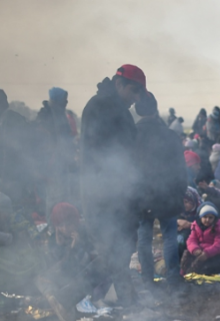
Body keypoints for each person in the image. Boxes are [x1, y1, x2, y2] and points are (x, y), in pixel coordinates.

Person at [80, 64, 145, 305]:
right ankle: (65, 292)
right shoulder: (104, 107)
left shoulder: (106, 105)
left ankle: (129, 300)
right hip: (107, 195)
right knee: (112, 252)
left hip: (109, 192)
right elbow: (115, 156)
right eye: (133, 91)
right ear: (119, 84)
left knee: (118, 252)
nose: (135, 99)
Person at [133, 91, 187, 285]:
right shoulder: (170, 135)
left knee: (144, 239)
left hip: (141, 196)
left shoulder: (132, 134)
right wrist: (181, 191)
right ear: (156, 109)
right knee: (170, 236)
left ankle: (147, 280)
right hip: (168, 194)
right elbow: (181, 168)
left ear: (138, 111)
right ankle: (173, 278)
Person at [0, 87, 35, 204]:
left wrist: (3, 181)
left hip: (14, 181)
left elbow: (11, 154)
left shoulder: (10, 121)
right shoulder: (2, 120)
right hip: (8, 180)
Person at [180, 203, 220, 275]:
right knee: (187, 253)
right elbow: (191, 240)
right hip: (200, 251)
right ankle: (183, 271)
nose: (207, 220)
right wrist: (195, 249)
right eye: (205, 217)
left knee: (200, 263)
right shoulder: (196, 226)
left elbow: (219, 244)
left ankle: (192, 274)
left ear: (214, 218)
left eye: (210, 217)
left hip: (215, 254)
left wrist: (207, 253)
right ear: (200, 217)